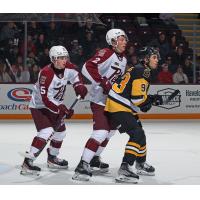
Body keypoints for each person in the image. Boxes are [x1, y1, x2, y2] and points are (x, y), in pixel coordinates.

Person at [20, 45, 88, 175]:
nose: (64, 60)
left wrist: (79, 86)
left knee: (60, 133)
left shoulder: (68, 66)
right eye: (61, 58)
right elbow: (46, 99)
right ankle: (28, 163)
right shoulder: (46, 74)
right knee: (46, 132)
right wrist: (61, 109)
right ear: (53, 59)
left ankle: (52, 158)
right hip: (40, 107)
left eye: (65, 57)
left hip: (56, 106)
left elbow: (75, 76)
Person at [72, 29, 128, 181]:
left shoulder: (123, 59)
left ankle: (95, 158)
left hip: (111, 101)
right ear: (112, 41)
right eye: (121, 39)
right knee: (101, 132)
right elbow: (87, 67)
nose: (124, 42)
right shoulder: (106, 53)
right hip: (99, 100)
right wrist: (102, 82)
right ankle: (82, 164)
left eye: (125, 39)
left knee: (110, 131)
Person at [104, 47, 163, 183]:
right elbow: (138, 100)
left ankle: (141, 163)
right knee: (136, 133)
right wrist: (150, 101)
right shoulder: (143, 71)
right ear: (146, 59)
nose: (157, 60)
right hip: (118, 105)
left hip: (120, 103)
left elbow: (136, 97)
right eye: (154, 57)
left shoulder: (139, 68)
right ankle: (125, 168)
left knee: (140, 133)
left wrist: (150, 99)